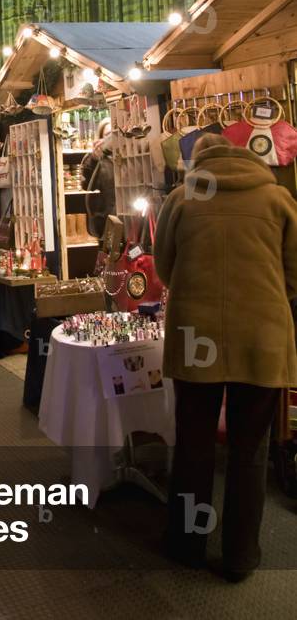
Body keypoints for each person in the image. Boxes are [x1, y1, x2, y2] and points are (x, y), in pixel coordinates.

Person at [154, 132, 297, 581]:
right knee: (248, 451)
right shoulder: (278, 199)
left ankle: (187, 544)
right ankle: (240, 557)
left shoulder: (182, 197)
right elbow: (294, 275)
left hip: (197, 337)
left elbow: (164, 268)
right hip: (262, 339)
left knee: (194, 446)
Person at [80, 118, 115, 240]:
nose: (110, 139)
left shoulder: (126, 155)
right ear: (100, 138)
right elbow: (85, 185)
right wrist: (94, 159)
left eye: (113, 134)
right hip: (105, 221)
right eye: (107, 135)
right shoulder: (94, 159)